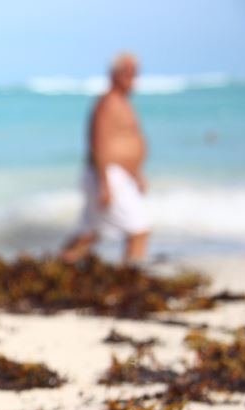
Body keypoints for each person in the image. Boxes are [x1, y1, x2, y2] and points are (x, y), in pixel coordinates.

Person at [61, 53, 150, 264]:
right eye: (126, 71)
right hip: (107, 175)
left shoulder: (123, 103)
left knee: (90, 233)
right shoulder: (107, 103)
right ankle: (132, 278)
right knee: (139, 229)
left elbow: (126, 143)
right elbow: (98, 143)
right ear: (114, 74)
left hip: (116, 175)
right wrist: (104, 183)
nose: (132, 76)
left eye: (135, 72)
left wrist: (136, 173)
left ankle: (58, 265)